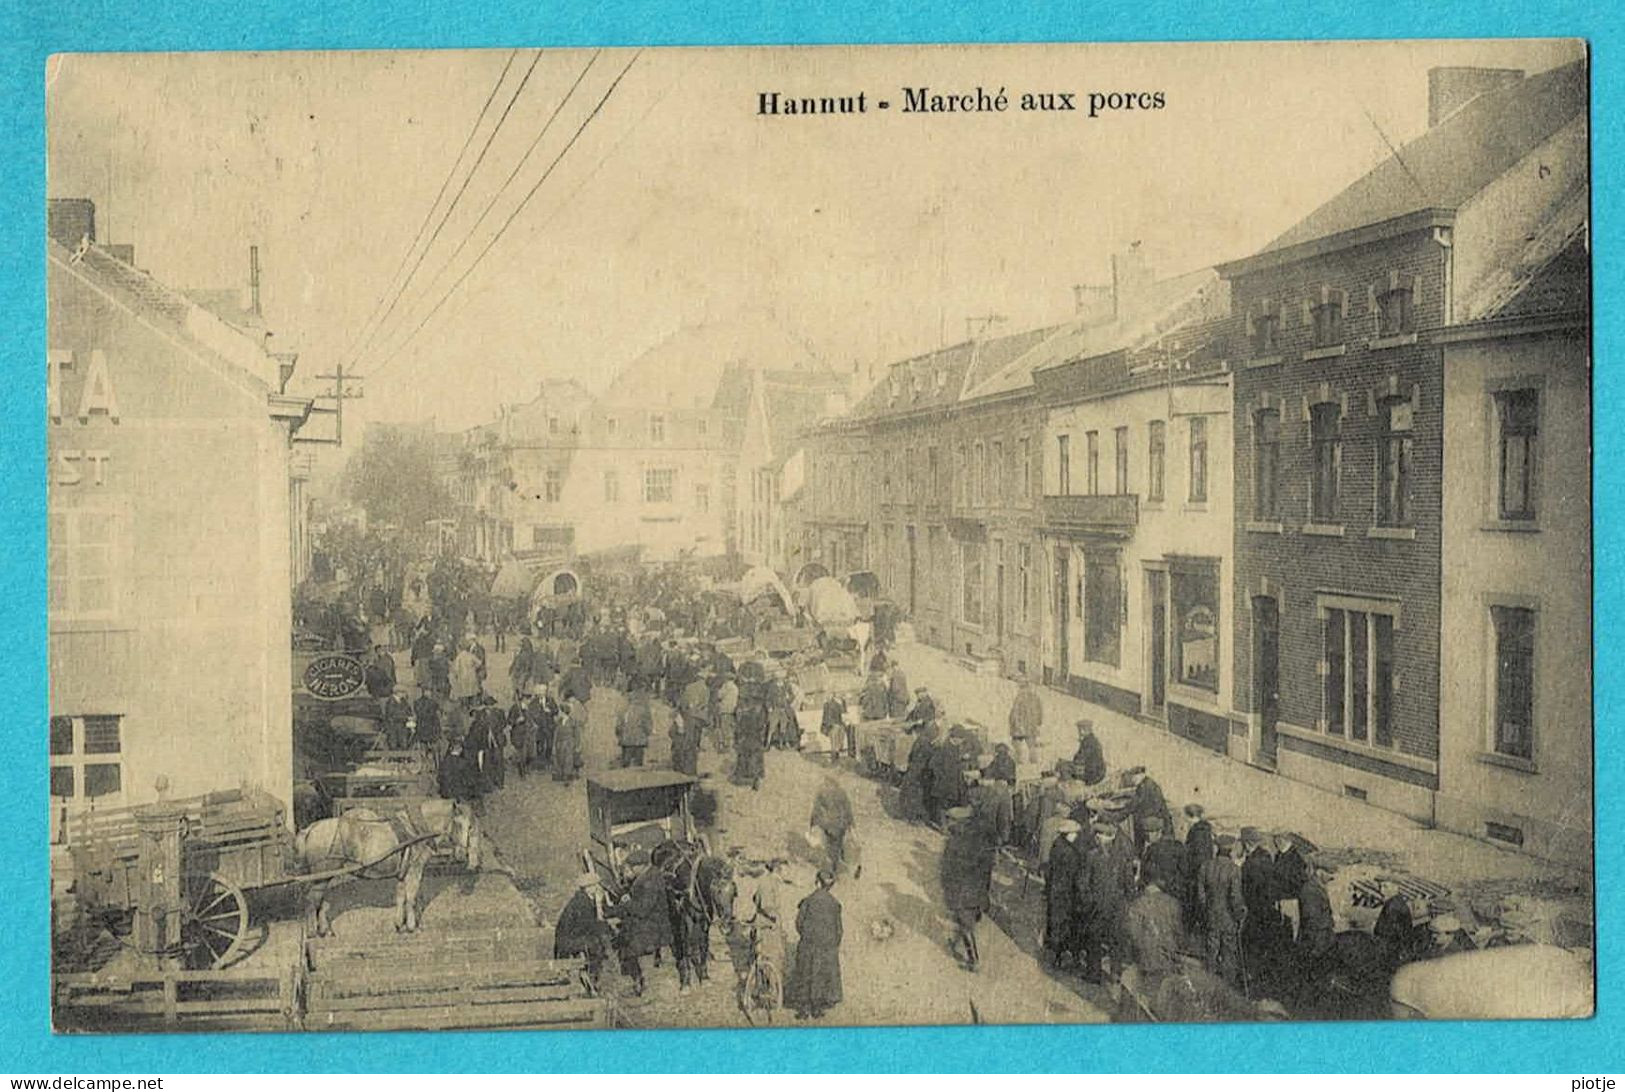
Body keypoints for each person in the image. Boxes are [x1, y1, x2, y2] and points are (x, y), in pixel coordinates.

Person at [940, 806, 993, 972]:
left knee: (965, 924)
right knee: (964, 919)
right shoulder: (980, 840)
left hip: (961, 891)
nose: (947, 823)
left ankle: (973, 960)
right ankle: (955, 941)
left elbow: (947, 870)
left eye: (950, 820)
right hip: (977, 890)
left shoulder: (953, 842)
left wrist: (947, 887)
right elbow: (988, 866)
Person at [1124, 863, 1186, 1002]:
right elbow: (1179, 934)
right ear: (1161, 882)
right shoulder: (1173, 903)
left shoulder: (1138, 904)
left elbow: (1132, 934)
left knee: (1148, 995)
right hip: (1168, 957)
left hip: (1147, 958)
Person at [1078, 820, 1130, 983]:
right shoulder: (1122, 858)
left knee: (1094, 939)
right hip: (1117, 905)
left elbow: (1083, 883)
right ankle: (1116, 973)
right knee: (1116, 939)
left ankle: (1094, 974)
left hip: (1097, 905)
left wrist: (1088, 900)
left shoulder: (1091, 856)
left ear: (1098, 838)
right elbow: (1129, 883)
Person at [788, 870, 844, 1019]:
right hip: (826, 947)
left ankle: (804, 1009)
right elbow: (839, 930)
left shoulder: (807, 901)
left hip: (808, 944)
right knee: (822, 975)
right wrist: (832, 944)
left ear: (817, 882)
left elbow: (799, 923)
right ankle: (818, 1008)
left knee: (805, 973)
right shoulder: (835, 904)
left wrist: (806, 936)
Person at [1240, 826, 1288, 994]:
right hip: (1270, 911)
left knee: (1252, 947)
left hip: (1256, 913)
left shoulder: (1250, 864)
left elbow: (1246, 891)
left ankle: (1254, 983)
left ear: (1246, 844)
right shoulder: (1266, 856)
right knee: (1267, 947)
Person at [1197, 832, 1247, 987]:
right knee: (1229, 954)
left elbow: (1201, 894)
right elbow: (1235, 898)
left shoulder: (1206, 866)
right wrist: (1240, 915)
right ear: (1231, 849)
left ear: (1217, 848)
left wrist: (1207, 909)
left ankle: (1209, 985)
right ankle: (1227, 989)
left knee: (1211, 952)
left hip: (1211, 915)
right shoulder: (1234, 870)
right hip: (1228, 918)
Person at [554, 872, 614, 994]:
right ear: (587, 888)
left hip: (575, 936)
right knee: (596, 946)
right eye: (595, 885)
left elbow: (598, 918)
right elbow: (589, 925)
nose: (599, 888)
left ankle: (591, 977)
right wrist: (605, 924)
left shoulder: (587, 899)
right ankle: (591, 979)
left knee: (599, 943)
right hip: (568, 941)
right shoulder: (581, 902)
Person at [1044, 818, 1087, 968]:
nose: (1076, 835)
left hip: (1056, 890)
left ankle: (1056, 954)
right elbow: (1075, 874)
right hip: (1066, 892)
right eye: (1074, 833)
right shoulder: (1069, 852)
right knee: (1064, 924)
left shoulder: (1057, 845)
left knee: (1057, 922)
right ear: (1067, 833)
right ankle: (1061, 957)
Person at [810, 776, 856, 875]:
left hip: (832, 826)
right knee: (835, 847)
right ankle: (833, 865)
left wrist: (813, 823)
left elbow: (816, 810)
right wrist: (851, 824)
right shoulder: (841, 793)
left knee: (831, 847)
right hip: (837, 826)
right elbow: (848, 810)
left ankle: (832, 866)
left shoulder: (822, 793)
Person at [1182, 803, 1215, 936]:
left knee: (1196, 909)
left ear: (1190, 817)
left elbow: (1198, 858)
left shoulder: (1197, 832)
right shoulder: (1203, 830)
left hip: (1197, 877)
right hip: (1201, 876)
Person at [897, 720, 939, 821]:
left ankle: (909, 815)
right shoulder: (926, 743)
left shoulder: (920, 740)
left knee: (911, 792)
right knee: (916, 793)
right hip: (919, 771)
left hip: (913, 769)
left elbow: (911, 756)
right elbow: (929, 757)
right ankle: (913, 816)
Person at [732, 684, 769, 790]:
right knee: (754, 758)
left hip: (748, 737)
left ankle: (747, 777)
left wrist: (738, 738)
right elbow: (763, 725)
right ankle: (755, 777)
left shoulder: (746, 712)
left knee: (746, 757)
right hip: (754, 738)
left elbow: (739, 727)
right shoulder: (759, 711)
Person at [1141, 816, 1187, 898]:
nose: (1147, 836)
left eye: (1150, 832)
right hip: (1176, 895)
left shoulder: (1155, 850)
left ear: (1159, 831)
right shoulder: (1178, 846)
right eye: (1146, 833)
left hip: (1160, 896)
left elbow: (1148, 874)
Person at [1008, 672, 1044, 766]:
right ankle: (1034, 761)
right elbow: (1040, 711)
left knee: (1016, 743)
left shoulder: (1019, 698)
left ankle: (1019, 761)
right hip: (1032, 726)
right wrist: (1038, 723)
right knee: (1031, 744)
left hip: (1020, 726)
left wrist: (1014, 724)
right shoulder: (1035, 697)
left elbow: (1015, 712)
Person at [616, 690, 654, 768]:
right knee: (638, 763)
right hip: (639, 742)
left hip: (626, 740)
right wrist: (647, 734)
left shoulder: (623, 709)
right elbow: (648, 727)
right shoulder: (644, 710)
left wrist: (620, 736)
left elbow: (618, 726)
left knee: (626, 762)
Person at [552, 698, 584, 783]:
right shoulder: (559, 722)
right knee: (561, 759)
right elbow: (556, 733)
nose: (559, 713)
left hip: (569, 744)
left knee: (568, 760)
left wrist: (577, 745)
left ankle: (567, 776)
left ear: (563, 712)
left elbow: (577, 734)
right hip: (560, 744)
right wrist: (554, 745)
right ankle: (562, 774)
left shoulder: (572, 722)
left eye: (560, 711)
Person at [506, 691, 536, 778]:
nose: (528, 701)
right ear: (523, 699)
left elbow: (531, 719)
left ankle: (527, 769)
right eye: (527, 699)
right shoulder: (515, 708)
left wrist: (533, 724)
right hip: (518, 735)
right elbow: (509, 721)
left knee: (530, 754)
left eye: (529, 699)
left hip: (528, 734)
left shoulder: (528, 708)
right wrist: (517, 720)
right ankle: (522, 773)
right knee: (521, 755)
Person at [1072, 720, 1106, 786]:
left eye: (1079, 729)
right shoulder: (1092, 740)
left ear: (1083, 730)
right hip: (1098, 772)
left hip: (1092, 774)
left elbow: (1081, 758)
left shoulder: (1088, 742)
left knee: (1064, 768)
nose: (1079, 732)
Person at [379, 685, 413, 751]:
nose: (404, 694)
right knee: (393, 745)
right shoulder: (390, 702)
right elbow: (392, 715)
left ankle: (403, 759)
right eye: (403, 692)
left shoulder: (404, 701)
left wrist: (410, 717)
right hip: (393, 727)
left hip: (402, 726)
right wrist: (406, 717)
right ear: (398, 692)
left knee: (404, 744)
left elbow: (408, 711)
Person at [713, 674, 740, 754]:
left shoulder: (726, 686)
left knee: (723, 727)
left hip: (724, 709)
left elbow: (719, 695)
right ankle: (730, 745)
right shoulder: (736, 687)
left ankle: (725, 746)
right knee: (730, 727)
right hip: (733, 709)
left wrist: (718, 690)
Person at [411, 686, 443, 753]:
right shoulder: (432, 703)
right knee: (431, 747)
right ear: (424, 692)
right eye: (428, 691)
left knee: (424, 747)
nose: (430, 693)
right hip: (429, 728)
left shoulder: (417, 702)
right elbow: (435, 715)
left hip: (423, 728)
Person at [451, 641, 482, 708]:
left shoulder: (459, 657)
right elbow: (479, 663)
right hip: (471, 676)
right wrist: (474, 668)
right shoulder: (470, 655)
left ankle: (465, 707)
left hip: (462, 677)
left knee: (464, 694)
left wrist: (456, 675)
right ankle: (472, 707)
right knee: (471, 693)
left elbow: (456, 668)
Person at [510, 635, 537, 699]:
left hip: (524, 672)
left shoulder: (528, 654)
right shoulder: (520, 653)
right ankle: (516, 694)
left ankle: (520, 694)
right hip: (518, 671)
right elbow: (515, 662)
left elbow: (528, 665)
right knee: (515, 681)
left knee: (520, 682)